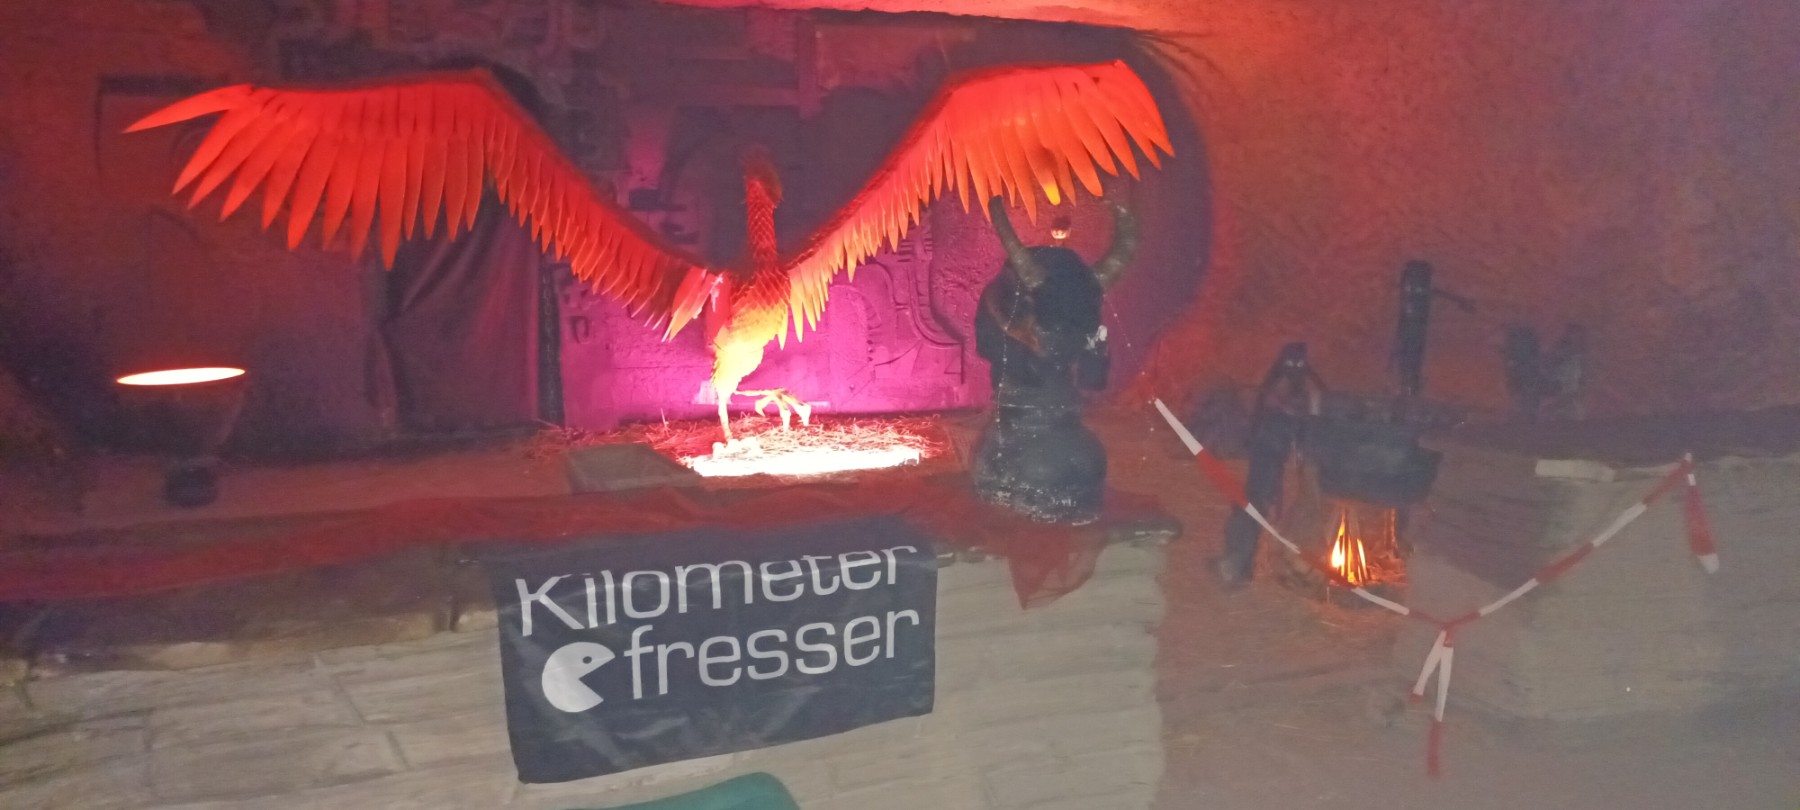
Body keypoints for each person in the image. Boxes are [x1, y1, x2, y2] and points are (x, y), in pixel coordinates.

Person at [1213, 342, 1327, 587]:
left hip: (1277, 462)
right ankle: (1238, 563)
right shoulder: (1275, 390)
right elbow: (1265, 416)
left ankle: (1239, 564)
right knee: (1249, 509)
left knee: (1253, 510)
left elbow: (1311, 423)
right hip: (1265, 459)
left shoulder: (1305, 389)